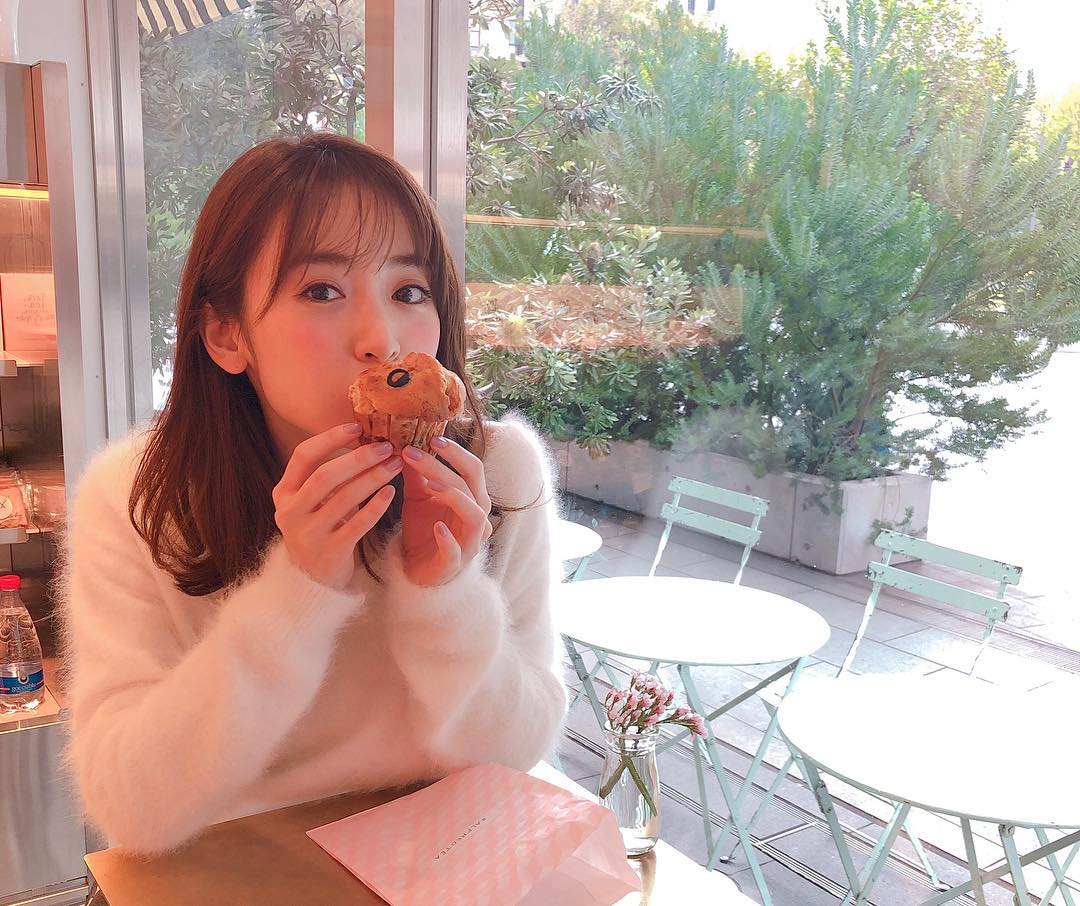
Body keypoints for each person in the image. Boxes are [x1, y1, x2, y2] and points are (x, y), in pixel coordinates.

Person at [56, 133, 567, 855]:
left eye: (409, 291)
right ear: (227, 336)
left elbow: (515, 753)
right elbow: (131, 808)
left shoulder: (496, 473)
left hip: (441, 864)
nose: (382, 339)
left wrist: (446, 593)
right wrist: (297, 591)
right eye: (321, 290)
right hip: (242, 872)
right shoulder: (139, 497)